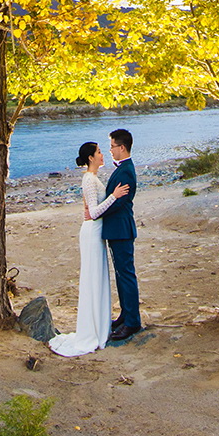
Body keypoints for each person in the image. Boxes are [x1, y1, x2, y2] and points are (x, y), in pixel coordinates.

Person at [48, 142, 130, 357]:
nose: (103, 155)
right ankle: (93, 330)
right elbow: (93, 212)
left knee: (98, 279)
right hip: (92, 233)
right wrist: (114, 195)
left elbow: (90, 209)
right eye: (100, 152)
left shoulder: (92, 178)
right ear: (91, 158)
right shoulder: (89, 179)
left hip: (96, 233)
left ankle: (100, 325)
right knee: (94, 279)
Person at [101, 128, 142, 341]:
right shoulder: (123, 168)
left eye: (112, 146)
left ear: (122, 147)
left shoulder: (126, 170)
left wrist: (97, 210)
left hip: (122, 229)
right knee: (121, 274)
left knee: (126, 275)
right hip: (118, 229)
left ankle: (133, 322)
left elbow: (118, 202)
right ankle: (126, 315)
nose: (110, 150)